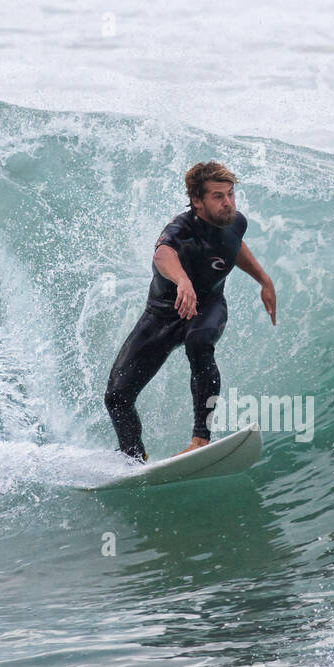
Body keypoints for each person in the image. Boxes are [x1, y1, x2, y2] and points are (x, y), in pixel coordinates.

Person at [104, 161, 277, 461]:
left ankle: (200, 439)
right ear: (197, 201)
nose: (228, 203)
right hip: (161, 316)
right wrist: (182, 279)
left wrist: (264, 279)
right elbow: (163, 255)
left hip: (207, 307)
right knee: (117, 397)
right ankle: (133, 458)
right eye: (218, 196)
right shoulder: (179, 230)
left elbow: (233, 246)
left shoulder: (235, 222)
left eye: (231, 194)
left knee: (199, 343)